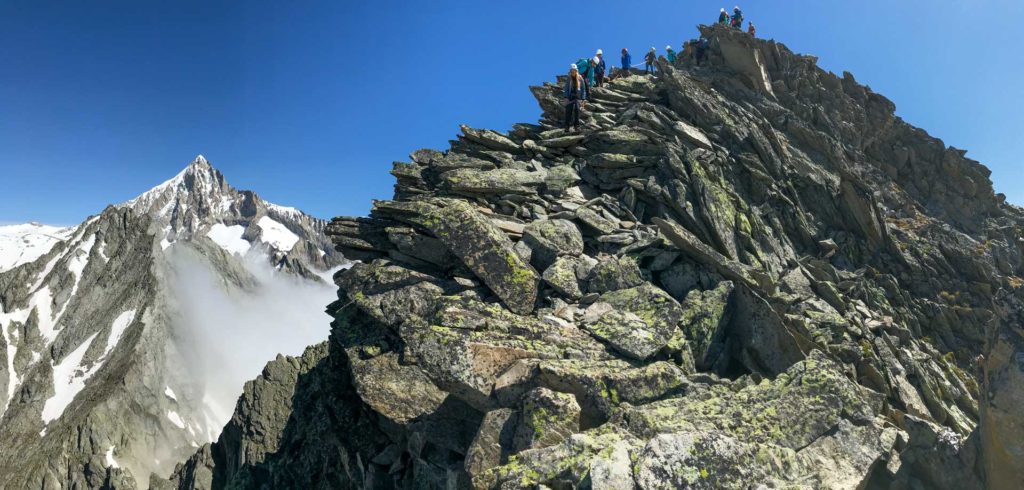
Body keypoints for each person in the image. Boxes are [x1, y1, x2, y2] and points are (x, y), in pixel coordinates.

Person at [563, 64, 587, 132]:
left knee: (577, 109)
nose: (573, 71)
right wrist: (566, 97)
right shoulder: (569, 78)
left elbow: (583, 89)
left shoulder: (580, 78)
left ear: (576, 70)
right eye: (572, 70)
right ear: (570, 71)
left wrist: (583, 99)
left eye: (574, 70)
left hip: (578, 97)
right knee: (568, 110)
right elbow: (566, 88)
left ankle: (576, 126)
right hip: (571, 97)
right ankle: (567, 126)